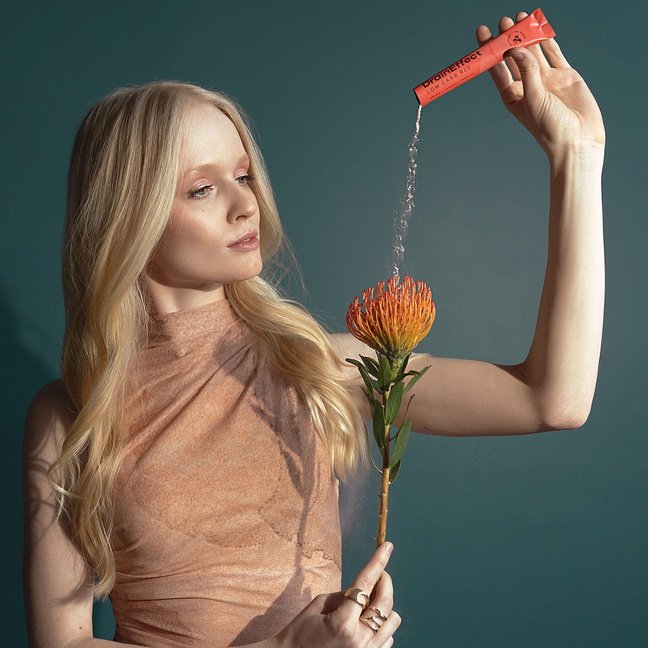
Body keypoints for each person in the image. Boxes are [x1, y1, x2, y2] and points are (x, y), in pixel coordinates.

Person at [22, 11, 605, 648]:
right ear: (128, 215)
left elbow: (552, 399)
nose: (245, 203)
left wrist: (576, 157)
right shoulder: (72, 413)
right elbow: (62, 643)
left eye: (243, 175)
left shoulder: (315, 365)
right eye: (202, 189)